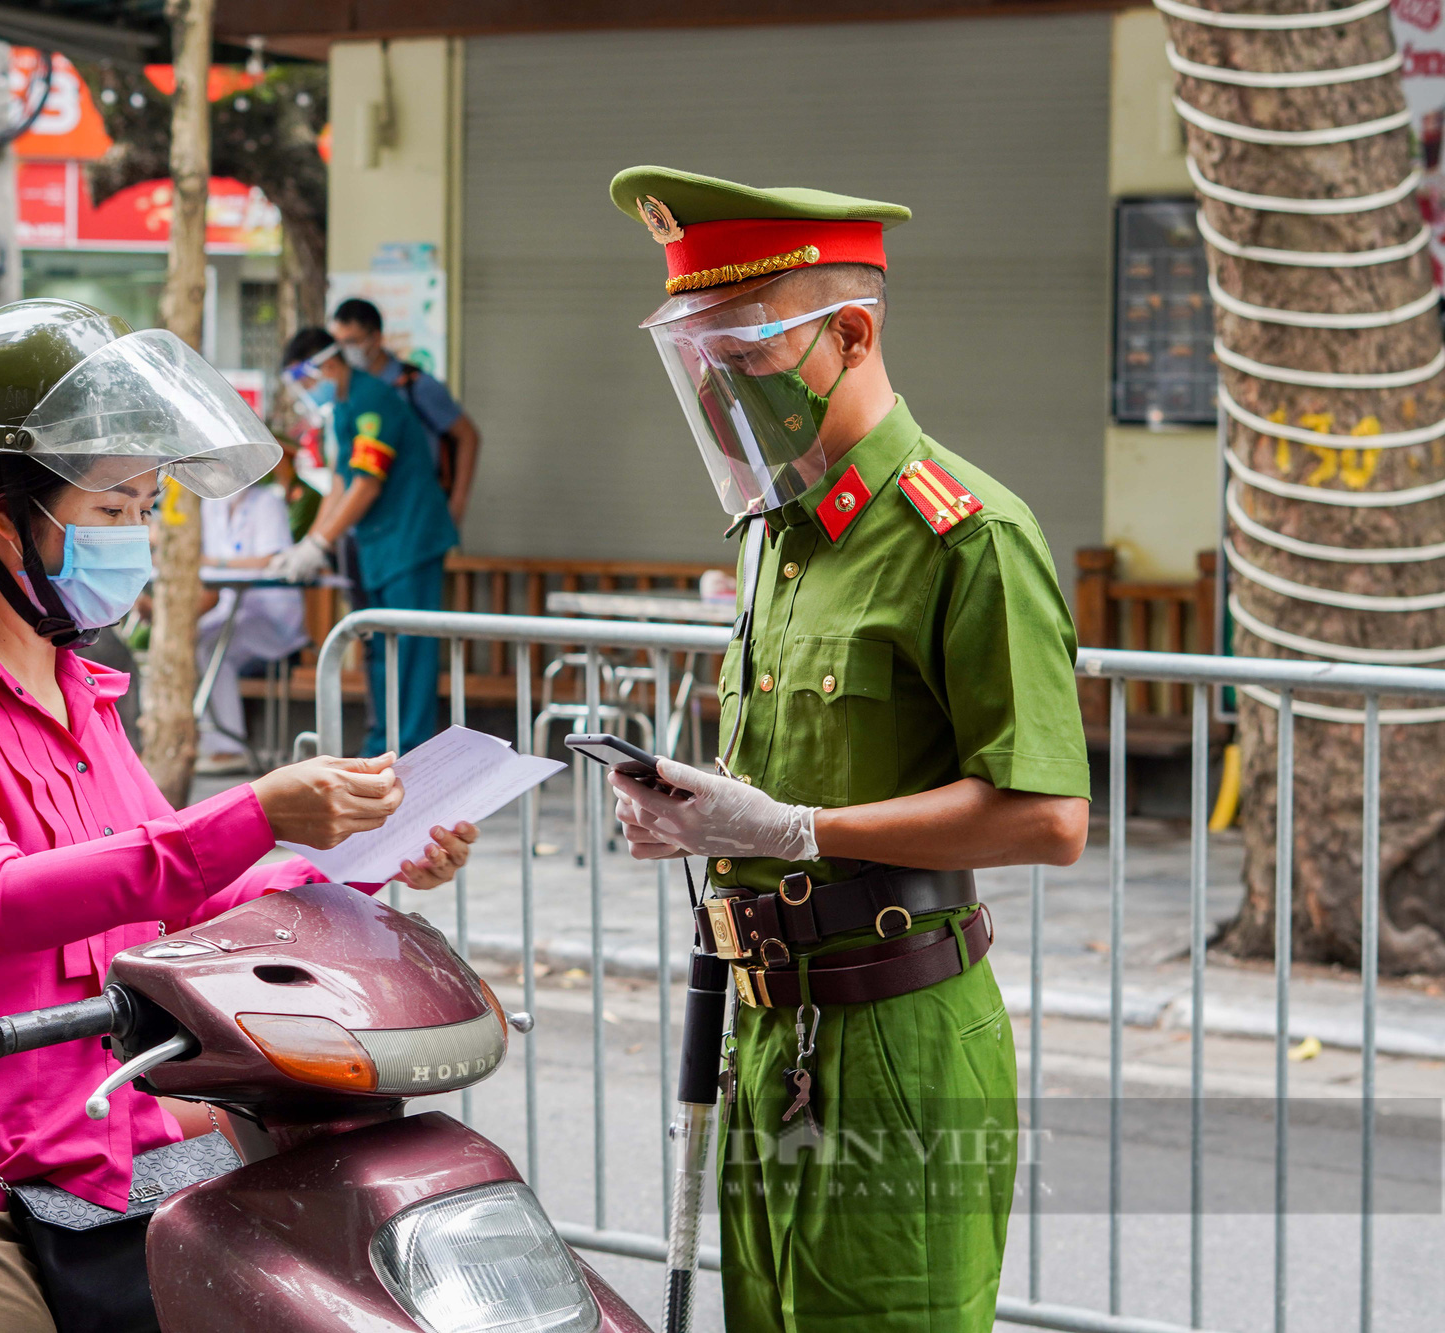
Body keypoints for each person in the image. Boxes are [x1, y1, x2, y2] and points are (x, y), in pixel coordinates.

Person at [0, 299, 477, 1331]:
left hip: (118, 1142)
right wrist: (255, 812)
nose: (139, 534)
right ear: (3, 519)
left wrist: (363, 851)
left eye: (144, 506)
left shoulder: (85, 695)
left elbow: (181, 891)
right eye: (115, 508)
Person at [602, 168, 1090, 1333]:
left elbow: (1045, 817)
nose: (720, 390)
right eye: (701, 360)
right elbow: (785, 770)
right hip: (769, 1027)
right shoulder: (776, 534)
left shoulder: (966, 537)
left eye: (745, 355)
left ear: (850, 331)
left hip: (897, 1034)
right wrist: (692, 815)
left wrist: (794, 833)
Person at [271, 327, 458, 756]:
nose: (304, 393)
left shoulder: (374, 400)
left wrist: (320, 544)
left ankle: (410, 750)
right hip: (377, 549)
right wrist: (311, 541)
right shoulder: (342, 408)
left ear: (327, 366)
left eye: (304, 382)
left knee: (409, 648)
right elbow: (340, 482)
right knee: (378, 648)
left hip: (408, 542)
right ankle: (382, 747)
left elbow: (368, 483)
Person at [329, 297, 482, 526]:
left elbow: (468, 435)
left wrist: (457, 505)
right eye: (339, 345)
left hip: (414, 515)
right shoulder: (347, 394)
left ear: (376, 338)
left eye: (352, 342)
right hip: (365, 519)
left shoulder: (414, 385)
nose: (345, 352)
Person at [194, 478, 308, 774]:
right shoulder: (211, 505)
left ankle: (228, 748)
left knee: (210, 645)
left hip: (273, 615)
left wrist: (215, 563)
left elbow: (271, 560)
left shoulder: (267, 501)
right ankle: (209, 740)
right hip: (232, 609)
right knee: (192, 641)